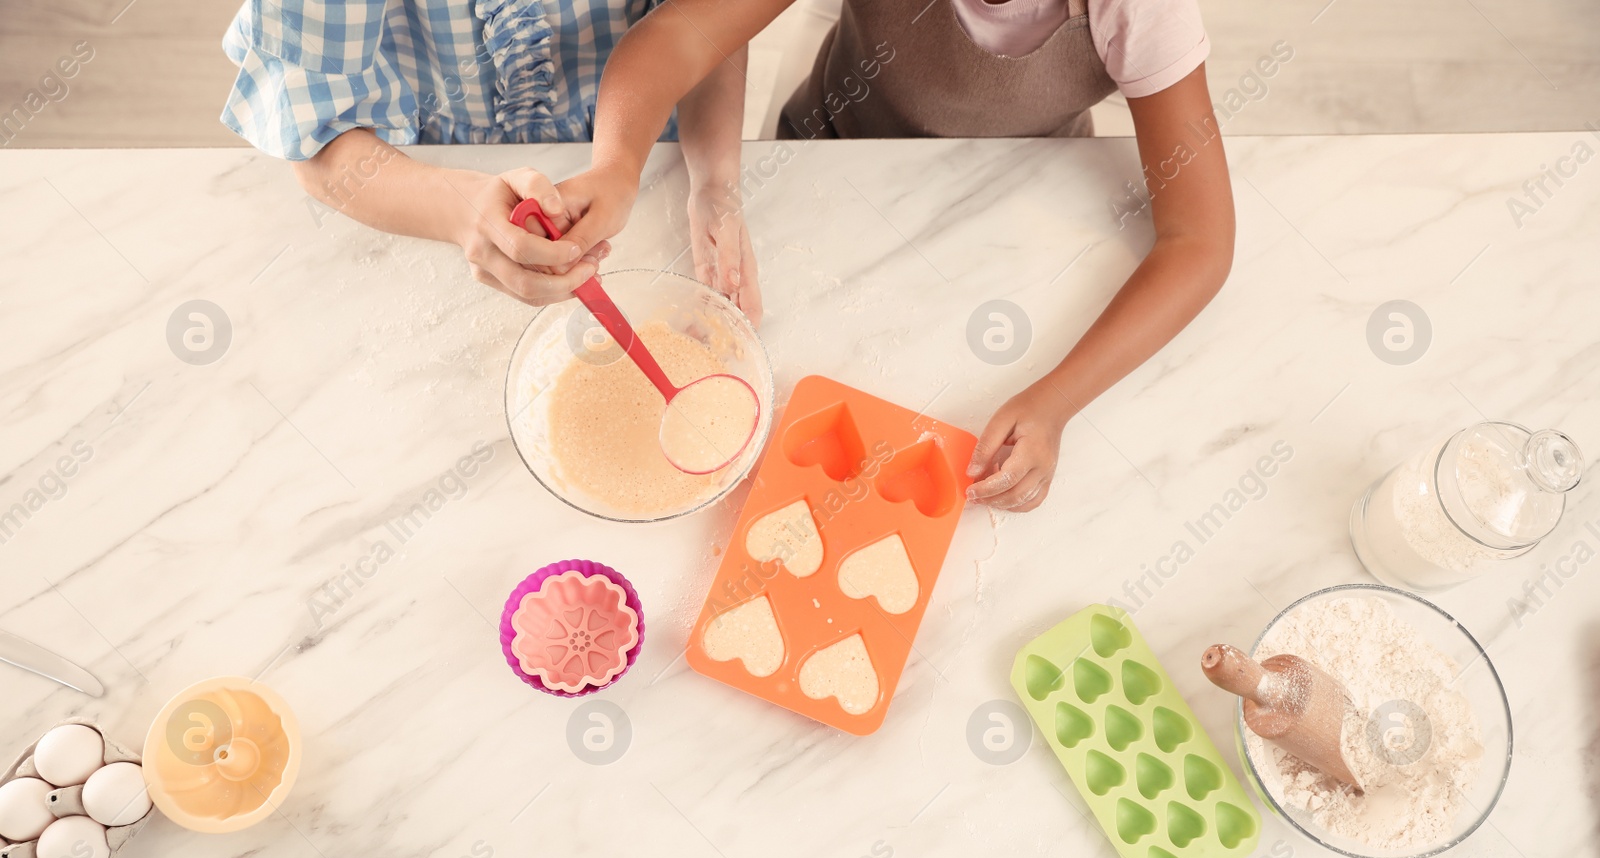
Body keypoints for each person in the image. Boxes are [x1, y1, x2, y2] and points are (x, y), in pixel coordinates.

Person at [557, 0, 1234, 511]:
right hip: (827, 162)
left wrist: (1055, 401)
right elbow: (678, 33)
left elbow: (1198, 240)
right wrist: (618, 167)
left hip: (1009, 213)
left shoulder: (1144, 10)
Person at [219, 0, 759, 321]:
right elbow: (316, 142)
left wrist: (710, 179)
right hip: (411, 169)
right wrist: (458, 211)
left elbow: (710, 26)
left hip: (651, 147)